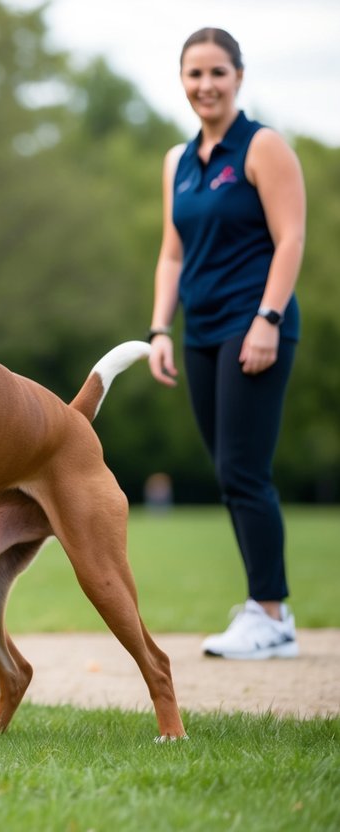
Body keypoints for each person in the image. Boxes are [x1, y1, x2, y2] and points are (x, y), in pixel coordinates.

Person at [147, 27, 306, 660]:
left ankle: (270, 614)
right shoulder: (177, 161)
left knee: (245, 471)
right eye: (195, 74)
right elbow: (172, 253)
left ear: (239, 76)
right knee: (227, 472)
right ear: (182, 81)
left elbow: (291, 238)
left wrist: (268, 317)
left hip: (254, 325)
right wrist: (160, 328)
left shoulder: (262, 146)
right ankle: (265, 608)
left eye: (218, 73)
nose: (206, 85)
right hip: (202, 331)